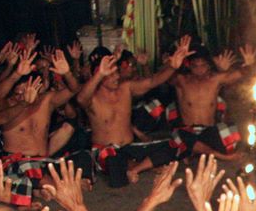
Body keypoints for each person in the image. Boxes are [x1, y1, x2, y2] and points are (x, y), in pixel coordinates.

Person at [77, 41, 193, 187]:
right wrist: (100, 73)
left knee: (175, 145)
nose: (116, 77)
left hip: (130, 147)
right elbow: (81, 99)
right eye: (110, 74)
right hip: (106, 152)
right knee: (116, 172)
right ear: (98, 75)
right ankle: (140, 165)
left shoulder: (126, 87)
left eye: (116, 72)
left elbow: (152, 81)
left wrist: (172, 67)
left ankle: (135, 168)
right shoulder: (91, 97)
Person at [170, 44, 256, 159]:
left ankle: (196, 151)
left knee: (231, 131)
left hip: (208, 131)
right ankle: (218, 155)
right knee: (177, 135)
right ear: (189, 67)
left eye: (203, 65)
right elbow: (160, 78)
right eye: (195, 66)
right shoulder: (182, 80)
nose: (200, 70)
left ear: (209, 66)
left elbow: (239, 75)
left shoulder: (215, 79)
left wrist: (249, 65)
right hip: (188, 131)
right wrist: (172, 65)